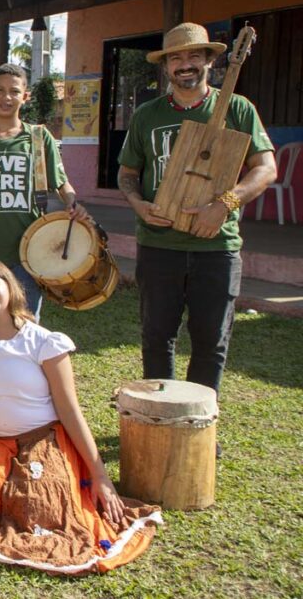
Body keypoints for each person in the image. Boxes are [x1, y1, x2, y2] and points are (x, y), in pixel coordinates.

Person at [0, 256, 162, 574]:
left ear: (10, 287)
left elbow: (70, 412)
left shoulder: (43, 342)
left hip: (41, 444)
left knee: (39, 509)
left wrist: (100, 476)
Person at [116, 22, 276, 398]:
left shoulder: (237, 108)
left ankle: (198, 422)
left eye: (193, 56)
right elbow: (127, 173)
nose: (184, 64)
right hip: (159, 245)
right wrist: (139, 204)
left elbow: (266, 168)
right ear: (166, 66)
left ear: (209, 60)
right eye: (175, 58)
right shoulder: (147, 115)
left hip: (216, 247)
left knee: (210, 342)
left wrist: (224, 205)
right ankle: (161, 416)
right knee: (157, 338)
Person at [0, 63, 88, 320]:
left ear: (25, 96)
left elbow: (62, 183)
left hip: (31, 254)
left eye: (14, 91)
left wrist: (71, 201)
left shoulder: (39, 138)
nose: (6, 97)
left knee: (25, 323)